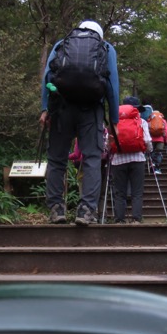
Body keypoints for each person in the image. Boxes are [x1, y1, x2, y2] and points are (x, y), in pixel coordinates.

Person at [40, 20, 120, 225]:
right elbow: (112, 85)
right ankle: (86, 211)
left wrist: (44, 108)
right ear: (99, 35)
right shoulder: (106, 47)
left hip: (62, 108)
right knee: (92, 158)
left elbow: (47, 77)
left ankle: (56, 209)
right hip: (91, 110)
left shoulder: (61, 44)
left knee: (57, 159)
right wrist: (114, 119)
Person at [109, 96, 152, 224]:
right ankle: (136, 219)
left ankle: (119, 220)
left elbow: (108, 143)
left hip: (118, 161)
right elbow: (148, 141)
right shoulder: (141, 122)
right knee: (137, 191)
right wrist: (148, 151)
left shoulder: (114, 122)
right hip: (138, 159)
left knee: (119, 192)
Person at [145, 105, 167, 174]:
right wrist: (166, 140)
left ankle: (152, 163)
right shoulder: (163, 121)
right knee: (158, 153)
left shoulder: (149, 121)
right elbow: (166, 132)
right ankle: (157, 167)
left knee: (151, 152)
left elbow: (146, 131)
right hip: (160, 140)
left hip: (151, 139)